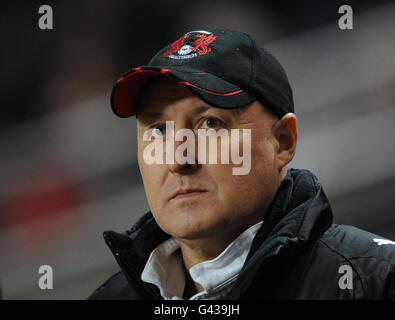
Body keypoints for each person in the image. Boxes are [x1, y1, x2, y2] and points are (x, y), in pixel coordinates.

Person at [89, 29, 395, 300]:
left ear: (283, 142)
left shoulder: (375, 280)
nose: (177, 159)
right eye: (158, 130)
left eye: (210, 123)